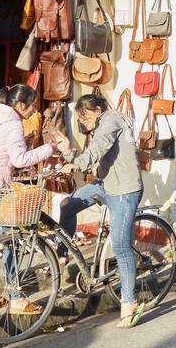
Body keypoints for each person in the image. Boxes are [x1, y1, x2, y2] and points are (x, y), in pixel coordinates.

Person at [0, 84, 69, 314]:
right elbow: (20, 159)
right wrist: (49, 148)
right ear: (20, 104)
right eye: (32, 105)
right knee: (10, 242)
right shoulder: (12, 122)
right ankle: (16, 297)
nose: (34, 110)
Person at [57, 93, 147, 328]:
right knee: (67, 205)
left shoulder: (112, 121)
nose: (83, 122)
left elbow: (97, 149)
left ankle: (129, 303)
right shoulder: (99, 125)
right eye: (80, 118)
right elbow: (94, 157)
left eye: (84, 116)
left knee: (120, 246)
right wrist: (68, 151)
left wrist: (76, 163)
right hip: (105, 184)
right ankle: (62, 255)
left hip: (125, 191)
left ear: (98, 110)